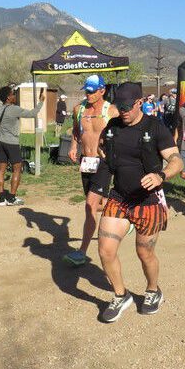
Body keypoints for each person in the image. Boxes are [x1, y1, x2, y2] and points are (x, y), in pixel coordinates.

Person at [95, 82, 182, 323]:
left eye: (127, 107)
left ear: (139, 103)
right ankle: (120, 295)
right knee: (105, 250)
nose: (122, 111)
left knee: (144, 252)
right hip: (119, 197)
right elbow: (104, 156)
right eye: (118, 107)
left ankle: (153, 290)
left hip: (148, 200)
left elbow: (176, 160)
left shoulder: (155, 128)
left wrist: (161, 176)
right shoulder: (112, 127)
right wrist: (100, 187)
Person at [64, 75, 118, 267]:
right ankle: (122, 212)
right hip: (86, 162)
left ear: (102, 90)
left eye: (92, 91)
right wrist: (73, 147)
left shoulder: (111, 111)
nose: (88, 94)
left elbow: (120, 135)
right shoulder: (78, 110)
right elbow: (77, 132)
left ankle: (82, 252)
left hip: (103, 162)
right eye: (86, 90)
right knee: (95, 206)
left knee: (89, 205)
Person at [0, 85, 45, 205]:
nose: (15, 96)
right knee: (17, 168)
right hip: (12, 143)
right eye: (13, 94)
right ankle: (11, 198)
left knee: (1, 170)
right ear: (8, 98)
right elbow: (32, 113)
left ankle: (1, 199)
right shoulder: (14, 109)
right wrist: (41, 102)